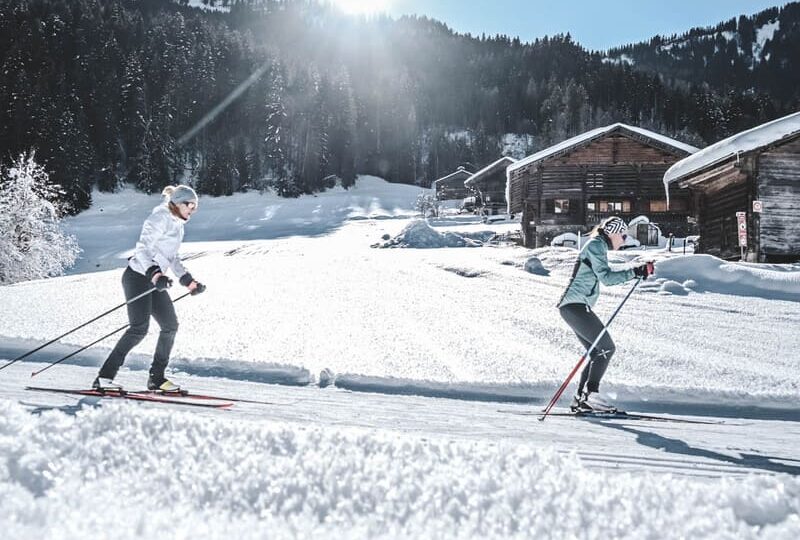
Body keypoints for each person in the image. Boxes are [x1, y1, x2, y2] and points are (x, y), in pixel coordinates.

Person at [93, 185, 206, 393]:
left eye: (195, 207)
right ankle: (104, 377)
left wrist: (189, 281)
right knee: (139, 329)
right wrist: (155, 274)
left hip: (156, 281)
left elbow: (172, 258)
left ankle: (157, 378)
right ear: (179, 203)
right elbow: (143, 250)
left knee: (170, 325)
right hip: (138, 277)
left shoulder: (179, 224)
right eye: (191, 205)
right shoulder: (160, 217)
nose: (193, 210)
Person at [557, 216, 653, 412]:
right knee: (607, 348)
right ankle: (591, 395)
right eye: (623, 235)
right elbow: (607, 278)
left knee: (596, 353)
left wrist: (638, 271)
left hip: (573, 307)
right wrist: (635, 271)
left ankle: (582, 399)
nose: (625, 240)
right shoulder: (596, 245)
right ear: (612, 233)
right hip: (575, 306)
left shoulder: (597, 245)